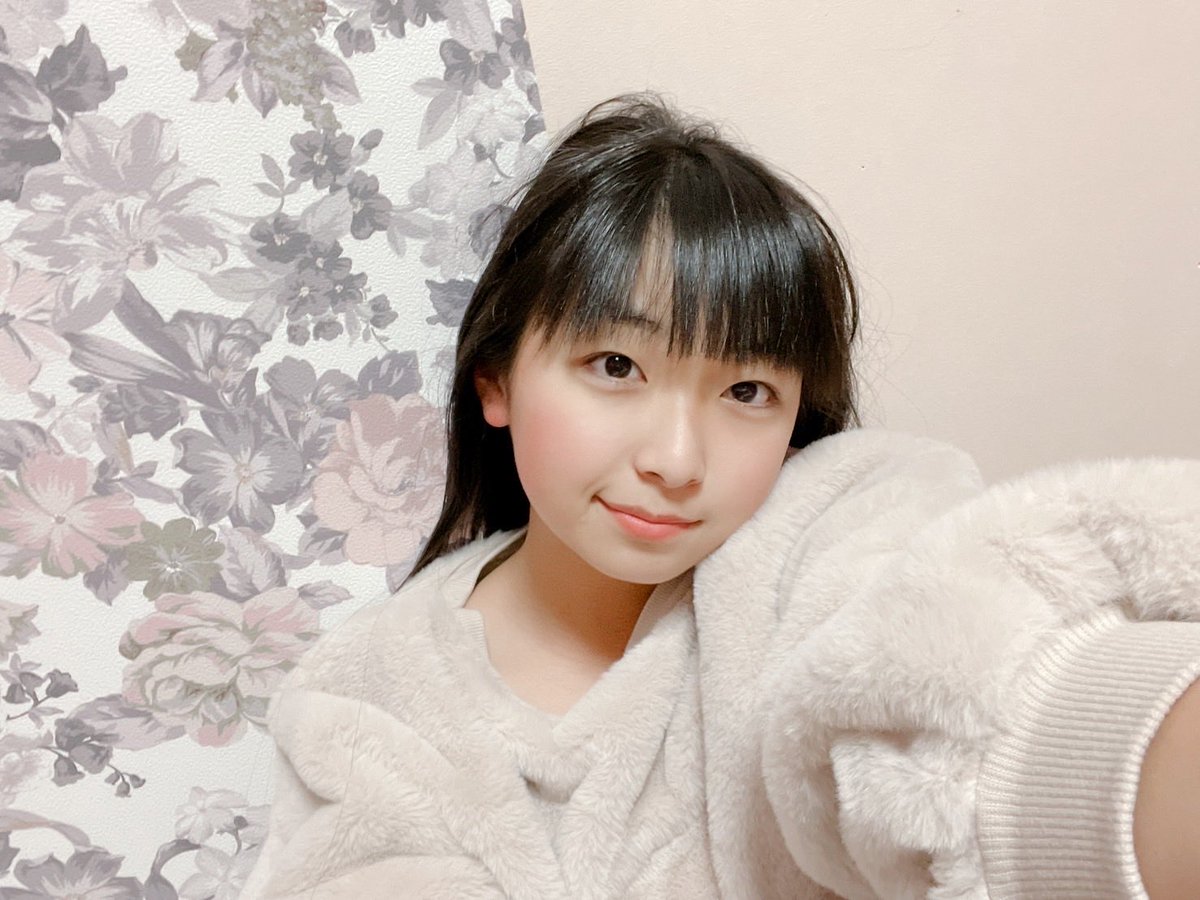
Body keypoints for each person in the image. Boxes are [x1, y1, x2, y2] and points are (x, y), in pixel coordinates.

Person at [241, 95, 1200, 899]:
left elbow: (963, 682)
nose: (677, 458)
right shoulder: (364, 698)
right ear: (496, 380)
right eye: (616, 365)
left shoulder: (826, 536)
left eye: (746, 391)